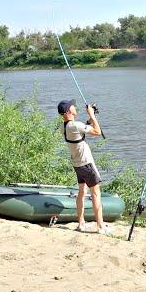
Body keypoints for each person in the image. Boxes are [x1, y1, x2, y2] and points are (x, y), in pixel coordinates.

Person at [57, 99, 112, 235]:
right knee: (95, 193)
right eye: (73, 106)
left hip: (77, 164)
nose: (75, 107)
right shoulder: (75, 126)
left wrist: (90, 117)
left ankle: (81, 223)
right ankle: (100, 227)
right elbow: (97, 131)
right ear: (69, 111)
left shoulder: (64, 127)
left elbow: (82, 129)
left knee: (82, 192)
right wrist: (92, 115)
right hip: (86, 164)